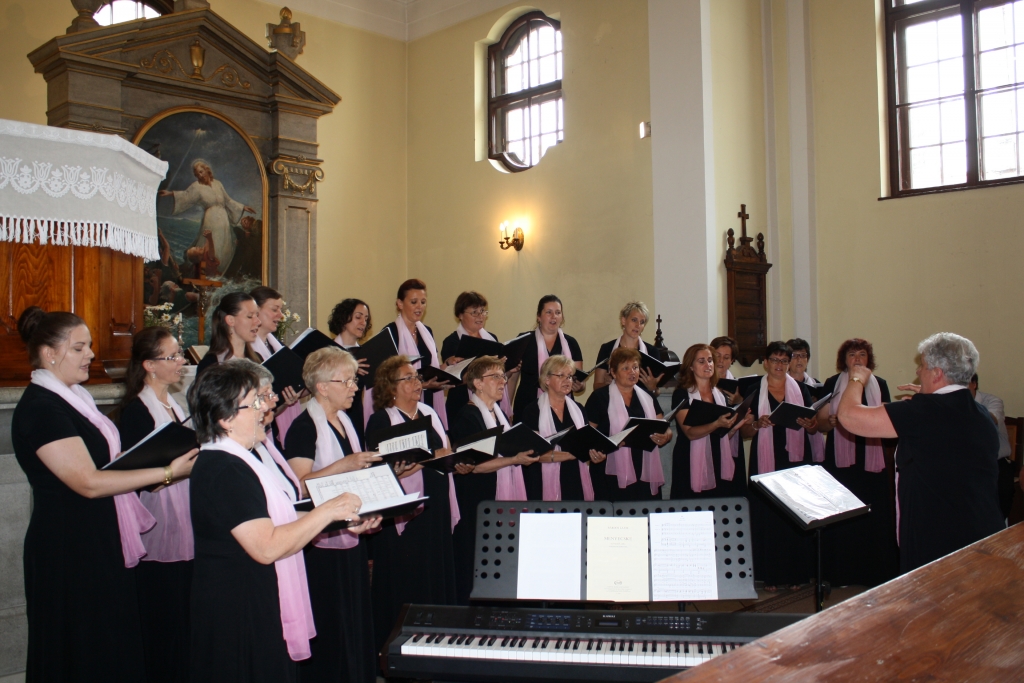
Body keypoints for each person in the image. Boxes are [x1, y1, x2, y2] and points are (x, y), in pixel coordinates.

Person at [12, 307, 197, 681]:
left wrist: (155, 463)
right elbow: (88, 482)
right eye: (79, 348)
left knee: (108, 643)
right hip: (69, 544)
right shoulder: (42, 408)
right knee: (81, 646)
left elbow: (106, 463)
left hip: (97, 536)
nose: (91, 355)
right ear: (49, 353)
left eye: (90, 346)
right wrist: (167, 472)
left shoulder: (75, 398)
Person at [188, 362, 377, 682]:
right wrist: (327, 510)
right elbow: (266, 546)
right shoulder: (223, 468)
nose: (266, 409)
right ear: (225, 417)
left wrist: (343, 519)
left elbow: (282, 519)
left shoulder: (240, 459)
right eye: (255, 403)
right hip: (240, 609)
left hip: (258, 599)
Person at [837, 333, 1003, 574]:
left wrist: (856, 378)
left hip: (938, 540)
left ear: (937, 373)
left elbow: (848, 416)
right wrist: (925, 400)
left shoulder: (923, 411)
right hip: (982, 531)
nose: (918, 371)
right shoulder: (981, 413)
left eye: (923, 366)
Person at [282, 348, 380, 683]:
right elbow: (300, 485)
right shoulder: (303, 427)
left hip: (349, 532)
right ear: (322, 387)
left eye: (354, 380)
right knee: (332, 622)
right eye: (346, 381)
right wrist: (345, 465)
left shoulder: (345, 422)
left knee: (354, 619)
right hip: (320, 542)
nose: (354, 387)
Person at [365, 355, 462, 653]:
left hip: (436, 505)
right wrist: (427, 460)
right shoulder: (382, 420)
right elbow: (383, 470)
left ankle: (436, 640)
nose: (416, 383)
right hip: (405, 512)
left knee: (434, 571)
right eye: (408, 378)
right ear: (390, 387)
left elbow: (445, 450)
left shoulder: (430, 413)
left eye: (417, 377)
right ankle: (400, 647)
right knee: (406, 575)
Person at [115, 326, 195, 683]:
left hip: (184, 515)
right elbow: (134, 476)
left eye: (180, 354)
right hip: (158, 522)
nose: (181, 362)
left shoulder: (174, 404)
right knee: (164, 619)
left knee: (184, 619)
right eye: (173, 356)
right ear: (149, 365)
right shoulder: (136, 412)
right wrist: (172, 473)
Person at [448, 356, 539, 604]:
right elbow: (473, 466)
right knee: (477, 558)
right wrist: (514, 459)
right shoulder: (468, 416)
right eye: (495, 376)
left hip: (492, 496)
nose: (503, 381)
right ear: (477, 383)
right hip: (476, 500)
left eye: (503, 376)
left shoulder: (498, 414)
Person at [814, 338, 898, 587]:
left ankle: (874, 573)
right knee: (842, 513)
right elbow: (820, 423)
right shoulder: (832, 383)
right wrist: (830, 422)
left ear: (868, 359)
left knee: (873, 514)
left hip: (870, 455)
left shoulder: (880, 383)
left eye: (862, 354)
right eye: (852, 355)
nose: (857, 359)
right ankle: (841, 573)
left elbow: (887, 418)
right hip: (840, 458)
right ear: (844, 360)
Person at [741, 341, 817, 591]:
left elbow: (813, 425)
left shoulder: (801, 390)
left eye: (784, 361)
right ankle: (769, 575)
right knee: (768, 513)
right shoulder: (754, 390)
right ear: (765, 362)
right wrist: (756, 424)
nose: (780, 365)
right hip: (766, 459)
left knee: (795, 512)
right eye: (775, 360)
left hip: (795, 459)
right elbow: (745, 431)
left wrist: (810, 425)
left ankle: (797, 574)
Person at [585, 347, 670, 501]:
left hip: (644, 467)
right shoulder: (599, 397)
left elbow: (664, 426)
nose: (632, 372)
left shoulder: (647, 397)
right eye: (625, 368)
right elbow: (587, 435)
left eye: (635, 367)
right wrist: (602, 447)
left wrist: (666, 436)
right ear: (613, 372)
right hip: (609, 468)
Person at [518, 355, 606, 501]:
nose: (567, 380)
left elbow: (586, 444)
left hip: (574, 479)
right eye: (561, 375)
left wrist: (595, 455)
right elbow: (532, 453)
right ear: (546, 380)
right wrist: (571, 455)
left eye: (570, 376)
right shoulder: (532, 411)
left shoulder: (579, 409)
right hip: (542, 482)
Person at [671, 344, 751, 499]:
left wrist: (734, 426)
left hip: (717, 458)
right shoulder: (682, 394)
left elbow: (722, 435)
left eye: (710, 360)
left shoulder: (719, 394)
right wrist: (716, 424)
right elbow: (690, 433)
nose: (708, 365)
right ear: (691, 366)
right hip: (690, 460)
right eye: (701, 361)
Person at [159, 159, 256, 275]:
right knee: (211, 243)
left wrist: (243, 207)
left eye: (201, 172)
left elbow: (228, 200)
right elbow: (186, 195)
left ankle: (218, 271)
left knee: (223, 244)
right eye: (197, 174)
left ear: (206, 170)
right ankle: (204, 272)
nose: (200, 175)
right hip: (211, 219)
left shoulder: (218, 184)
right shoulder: (197, 186)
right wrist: (170, 193)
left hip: (223, 220)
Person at [382, 279, 450, 428]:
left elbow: (431, 367)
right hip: (402, 407)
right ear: (400, 304)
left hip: (428, 400)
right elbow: (387, 379)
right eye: (414, 302)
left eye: (423, 302)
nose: (420, 307)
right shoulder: (390, 333)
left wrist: (447, 367)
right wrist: (422, 385)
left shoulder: (427, 332)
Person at [510, 294, 585, 421]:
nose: (553, 316)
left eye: (558, 312)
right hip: (526, 405)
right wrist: (507, 410)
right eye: (549, 312)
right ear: (539, 316)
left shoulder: (571, 343)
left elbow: (579, 379)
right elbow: (512, 378)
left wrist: (580, 386)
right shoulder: (524, 340)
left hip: (561, 409)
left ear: (562, 317)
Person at [439, 291, 513, 417]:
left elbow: (498, 376)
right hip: (462, 404)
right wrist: (487, 368)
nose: (480, 316)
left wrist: (509, 368)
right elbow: (454, 379)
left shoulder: (491, 339)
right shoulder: (452, 342)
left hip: (491, 403)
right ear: (460, 315)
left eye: (482, 311)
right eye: (474, 312)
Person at [250, 286, 303, 439]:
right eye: (275, 309)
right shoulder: (248, 352)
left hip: (281, 420)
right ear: (256, 311)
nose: (280, 315)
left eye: (281, 310)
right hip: (263, 425)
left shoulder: (279, 347)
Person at [969, 374, 1015, 520]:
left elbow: (990, 420)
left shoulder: (992, 401)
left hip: (997, 462)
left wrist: (962, 407)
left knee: (1002, 491)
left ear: (974, 384)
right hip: (969, 464)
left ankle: (999, 525)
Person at [593, 301, 662, 395]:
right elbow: (596, 386)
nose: (638, 325)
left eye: (642, 322)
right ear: (623, 321)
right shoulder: (607, 349)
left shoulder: (652, 352)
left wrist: (652, 388)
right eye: (634, 320)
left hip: (641, 402)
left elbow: (657, 392)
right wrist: (606, 384)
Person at [327, 298, 373, 436]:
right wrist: (350, 367)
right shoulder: (327, 351)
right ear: (344, 318)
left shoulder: (366, 352)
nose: (363, 322)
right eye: (358, 317)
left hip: (357, 414)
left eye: (366, 318)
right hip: (330, 414)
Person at [195, 291, 262, 374]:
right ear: (230, 320)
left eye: (257, 315)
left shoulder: (258, 359)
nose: (258, 322)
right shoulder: (211, 364)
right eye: (250, 316)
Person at [787, 338, 826, 465]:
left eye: (803, 355)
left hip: (811, 438)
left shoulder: (817, 385)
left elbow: (823, 419)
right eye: (794, 355)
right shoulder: (781, 385)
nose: (799, 360)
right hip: (788, 439)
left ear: (807, 360)